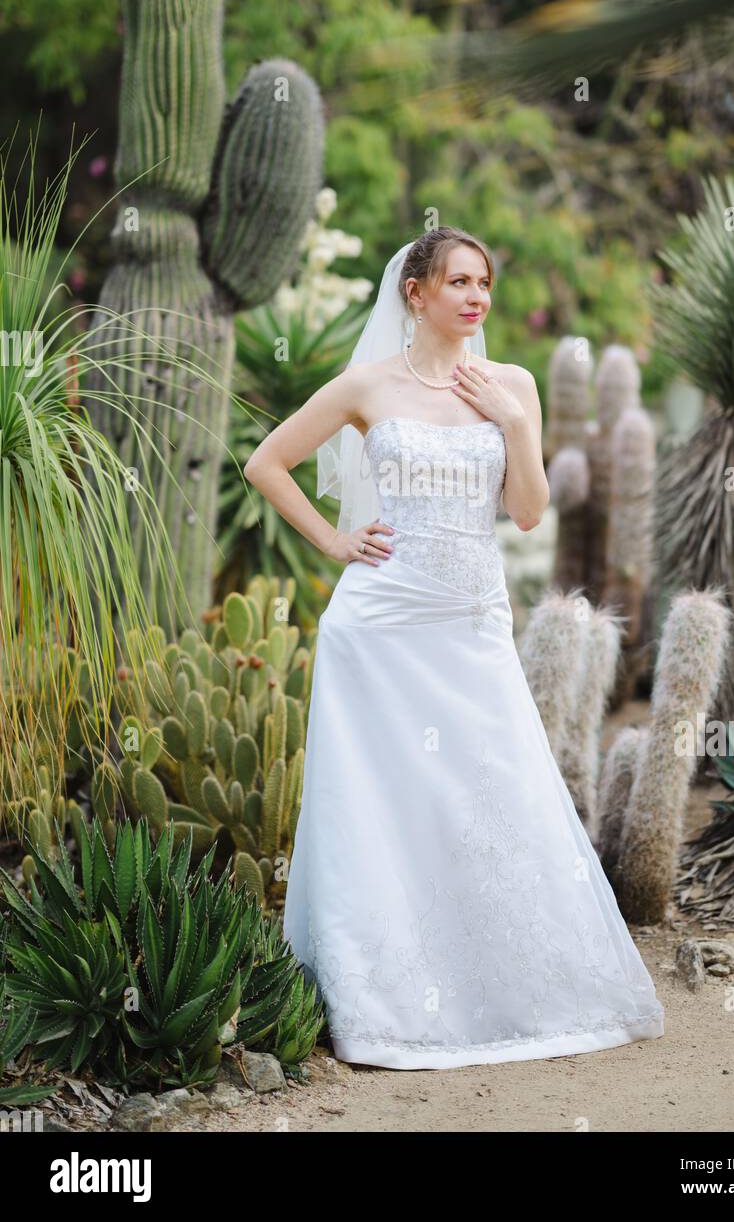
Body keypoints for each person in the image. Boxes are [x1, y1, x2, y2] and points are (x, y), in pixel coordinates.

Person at [243, 226, 664, 1070]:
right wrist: (334, 541)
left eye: (485, 283)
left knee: (494, 790)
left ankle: (514, 989)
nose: (477, 297)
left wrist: (512, 422)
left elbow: (532, 509)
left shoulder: (510, 384)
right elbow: (267, 462)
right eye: (460, 282)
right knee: (380, 808)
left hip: (471, 626)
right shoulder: (366, 385)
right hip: (379, 629)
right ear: (416, 293)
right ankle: (380, 1005)